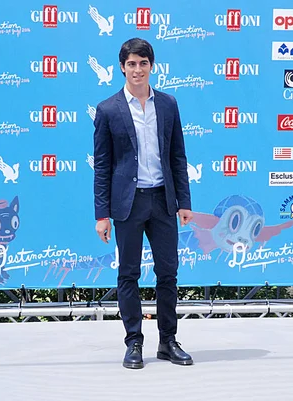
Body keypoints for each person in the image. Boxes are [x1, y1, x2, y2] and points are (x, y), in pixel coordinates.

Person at [92, 38, 194, 369]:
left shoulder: (168, 104)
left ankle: (168, 341)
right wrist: (101, 214)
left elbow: (178, 156)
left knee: (168, 273)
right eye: (131, 64)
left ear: (152, 66)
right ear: (122, 67)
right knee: (128, 274)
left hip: (163, 200)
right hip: (128, 204)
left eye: (143, 63)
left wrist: (184, 202)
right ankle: (134, 342)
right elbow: (103, 166)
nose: (138, 69)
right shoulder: (108, 109)